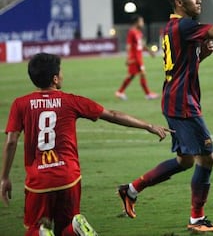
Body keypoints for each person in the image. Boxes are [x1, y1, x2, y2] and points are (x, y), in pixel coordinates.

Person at [117, 0, 213, 233]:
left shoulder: (170, 27)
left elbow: (181, 65)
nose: (199, 0)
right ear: (179, 2)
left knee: (186, 160)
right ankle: (197, 218)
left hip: (174, 98)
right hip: (183, 103)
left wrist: (202, 55)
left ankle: (131, 189)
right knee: (207, 158)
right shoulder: (187, 26)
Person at [0, 53, 172, 236]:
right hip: (68, 177)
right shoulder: (71, 101)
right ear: (55, 78)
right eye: (61, 72)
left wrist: (4, 178)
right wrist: (148, 125)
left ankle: (42, 233)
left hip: (38, 181)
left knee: (35, 228)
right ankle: (74, 230)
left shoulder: (20, 104)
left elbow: (11, 142)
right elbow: (112, 115)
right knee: (65, 226)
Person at [115, 15, 158, 101]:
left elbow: (141, 45)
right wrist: (128, 58)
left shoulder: (139, 32)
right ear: (136, 22)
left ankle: (120, 92)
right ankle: (148, 94)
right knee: (142, 74)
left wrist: (150, 51)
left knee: (132, 75)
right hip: (134, 58)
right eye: (141, 21)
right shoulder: (132, 32)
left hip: (139, 57)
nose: (142, 23)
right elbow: (129, 45)